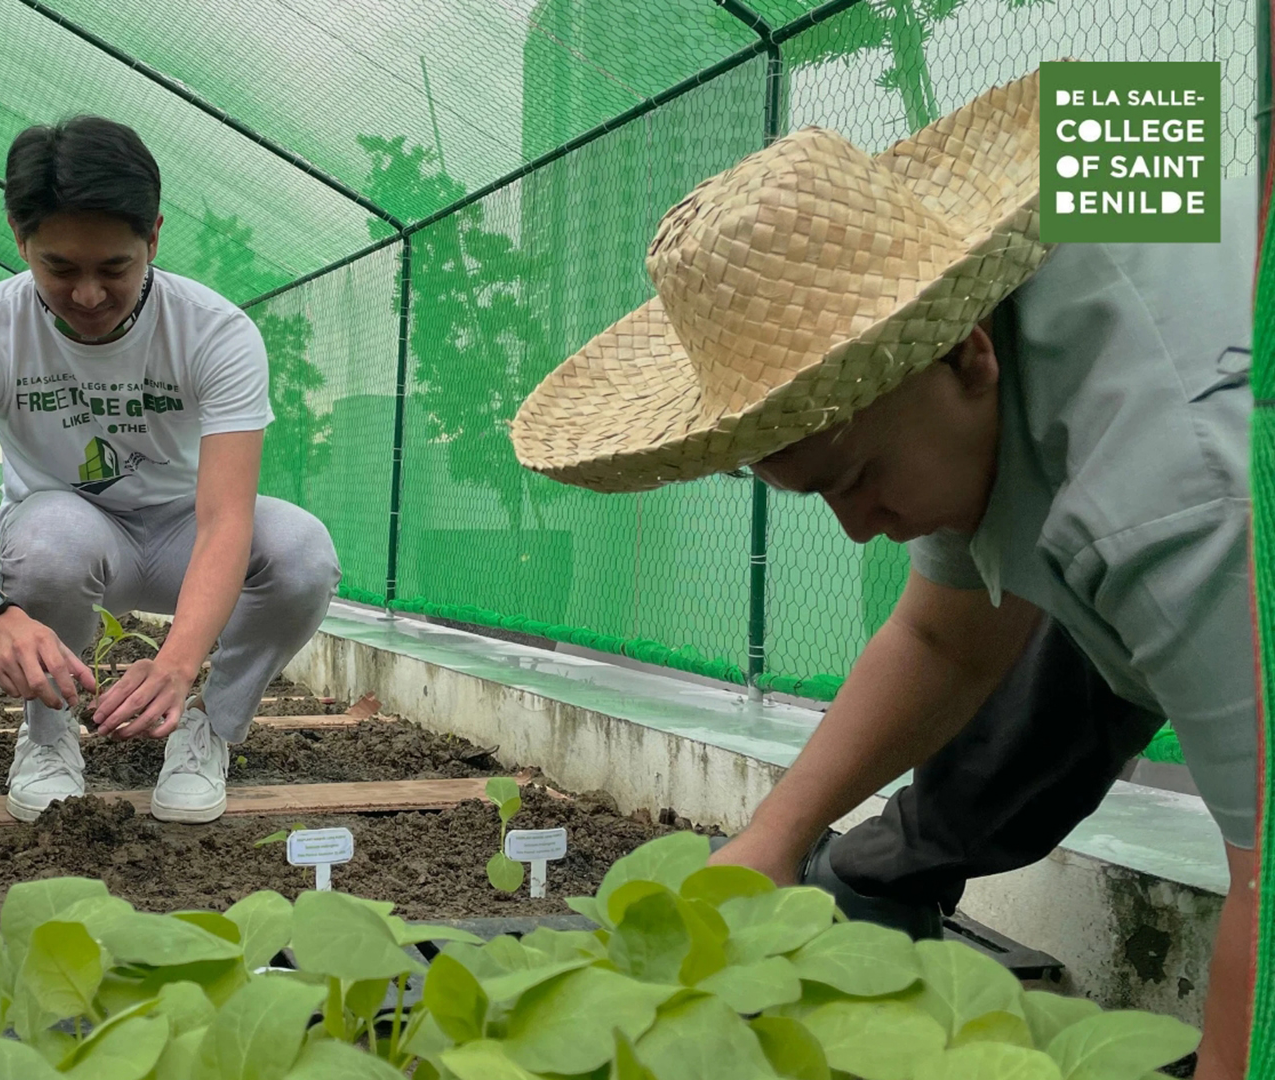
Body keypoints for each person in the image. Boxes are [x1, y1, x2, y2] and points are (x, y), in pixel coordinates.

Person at [511, 68, 1257, 1075]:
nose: (859, 531)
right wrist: (772, 841)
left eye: (857, 479)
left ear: (970, 358)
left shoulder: (1171, 505)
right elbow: (945, 636)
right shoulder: (1031, 233)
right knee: (1027, 626)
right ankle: (868, 880)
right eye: (815, 492)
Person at [0, 116, 341, 824]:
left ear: (154, 239)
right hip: (70, 532)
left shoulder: (214, 330)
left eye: (114, 268)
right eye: (59, 268)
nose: (86, 296)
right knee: (50, 543)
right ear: (20, 239)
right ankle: (47, 740)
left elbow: (227, 517)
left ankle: (209, 730)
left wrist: (177, 661)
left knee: (302, 554)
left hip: (184, 538)